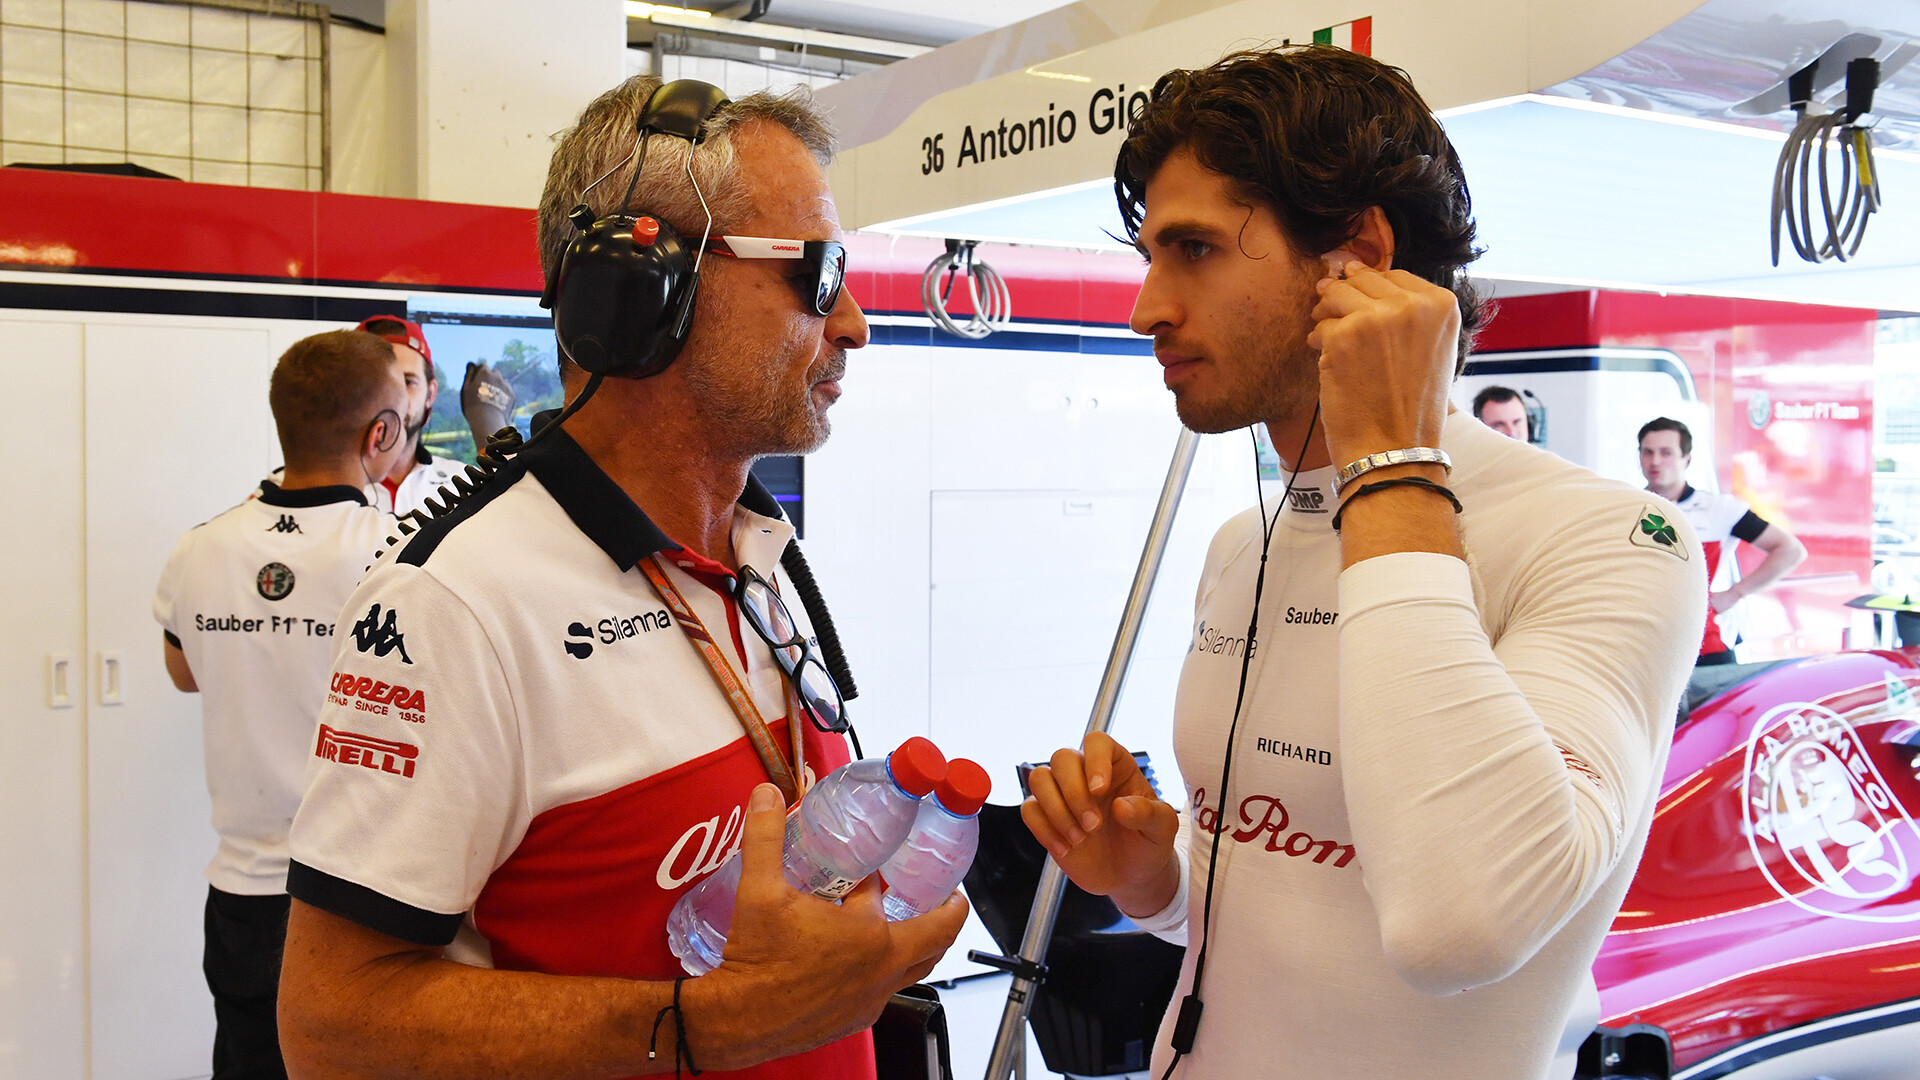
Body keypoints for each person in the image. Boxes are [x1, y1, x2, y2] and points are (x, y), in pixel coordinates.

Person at [1020, 46, 1705, 1079]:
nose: (1146, 307)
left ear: (1358, 256)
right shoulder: (1241, 543)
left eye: (1193, 249)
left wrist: (1388, 460)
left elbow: (1460, 923)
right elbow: (1283, 917)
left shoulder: (1604, 539)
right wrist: (1151, 883)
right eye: (1151, 257)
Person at [276, 78, 965, 1080]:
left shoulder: (756, 554)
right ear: (643, 291)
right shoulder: (457, 603)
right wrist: (703, 1027)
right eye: (818, 275)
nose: (854, 323)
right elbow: (331, 1026)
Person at [153, 329, 408, 1080]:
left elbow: (184, 673)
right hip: (359, 895)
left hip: (242, 892)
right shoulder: (399, 549)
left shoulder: (201, 546)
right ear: (380, 434)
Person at [1638, 416, 1806, 665]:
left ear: (1687, 459)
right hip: (1644, 647)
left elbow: (1790, 550)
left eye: (1666, 453)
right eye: (1648, 452)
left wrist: (1735, 593)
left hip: (1709, 646)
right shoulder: (1625, 508)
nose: (1655, 461)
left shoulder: (1719, 509)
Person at [352, 315, 468, 518]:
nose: (394, 399)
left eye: (408, 382)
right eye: (375, 381)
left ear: (430, 394)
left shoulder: (463, 483)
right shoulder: (319, 489)